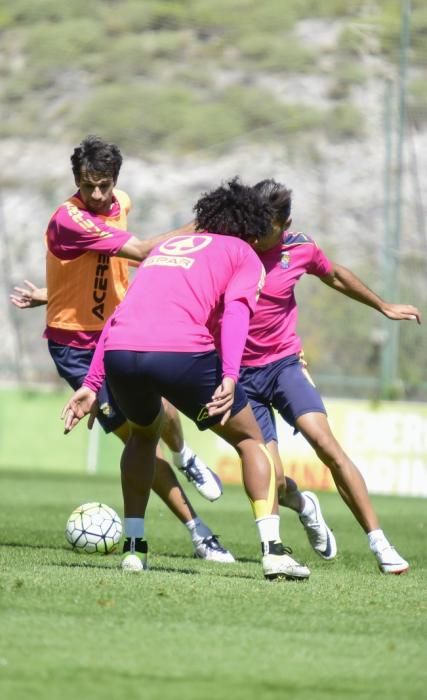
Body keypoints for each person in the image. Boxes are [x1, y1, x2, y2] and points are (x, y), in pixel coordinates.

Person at [61, 177, 311, 581]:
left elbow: (120, 315)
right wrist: (230, 375)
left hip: (122, 352)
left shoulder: (167, 248)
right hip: (181, 352)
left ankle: (134, 548)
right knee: (250, 439)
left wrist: (92, 384)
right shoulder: (242, 253)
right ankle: (273, 551)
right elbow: (235, 314)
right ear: (250, 223)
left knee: (144, 436)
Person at [10, 135, 233, 563]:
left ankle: (185, 455)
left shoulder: (121, 203)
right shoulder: (67, 218)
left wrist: (52, 290)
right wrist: (207, 224)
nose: (97, 194)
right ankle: (199, 531)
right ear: (76, 180)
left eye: (105, 185)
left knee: (164, 414)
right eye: (89, 185)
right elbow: (144, 250)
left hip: (121, 332)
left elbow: (111, 260)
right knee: (139, 437)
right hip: (75, 347)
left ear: (116, 182)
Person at [238, 177, 421, 574]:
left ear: (284, 224)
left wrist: (382, 306)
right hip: (241, 376)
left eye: (264, 226)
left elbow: (334, 274)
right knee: (273, 478)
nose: (254, 232)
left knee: (326, 445)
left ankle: (381, 544)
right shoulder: (234, 244)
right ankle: (304, 504)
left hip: (284, 365)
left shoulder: (299, 248)